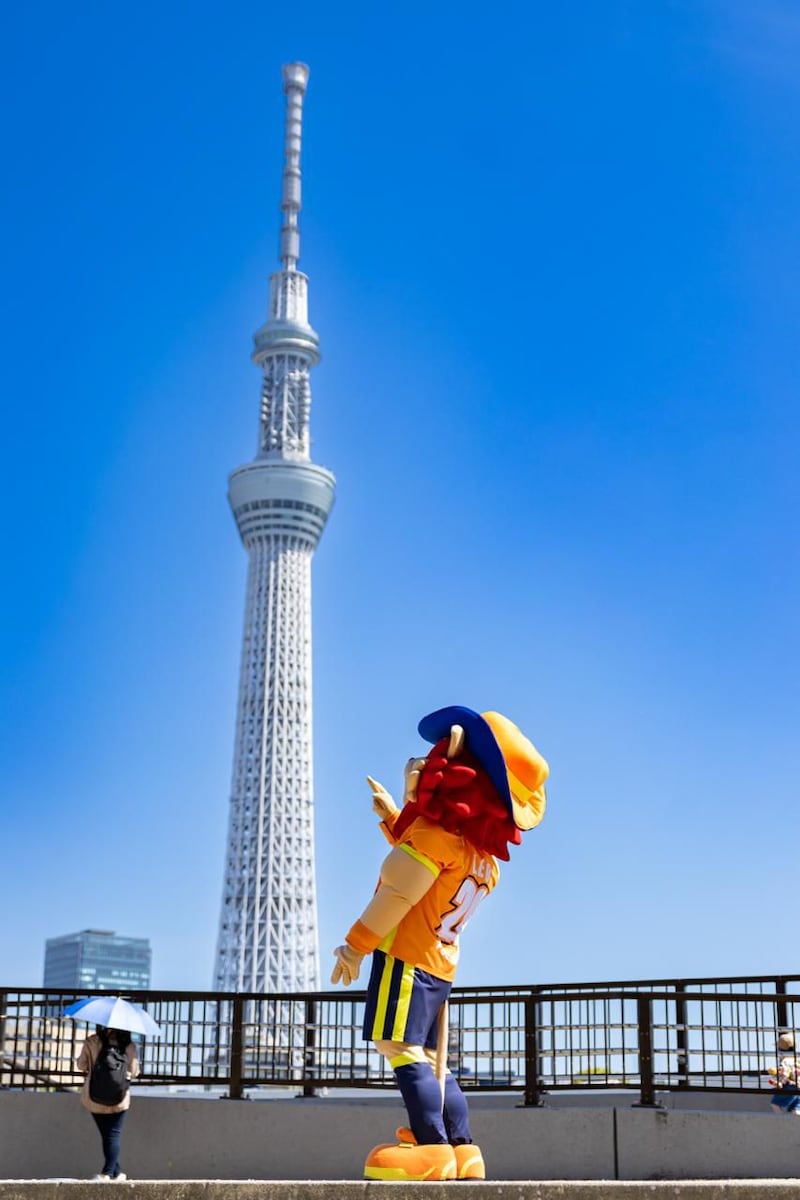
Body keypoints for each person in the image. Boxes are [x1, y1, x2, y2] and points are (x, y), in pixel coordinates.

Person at [331, 705, 549, 1182]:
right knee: (430, 1058)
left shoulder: (436, 838)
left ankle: (431, 1147)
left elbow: (400, 891)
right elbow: (426, 861)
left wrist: (355, 945)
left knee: (398, 1046)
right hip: (440, 964)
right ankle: (462, 1147)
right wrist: (396, 814)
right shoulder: (481, 860)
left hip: (405, 958)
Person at [76, 1025, 140, 1181]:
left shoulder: (92, 1041)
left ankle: (108, 1173)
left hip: (95, 1097)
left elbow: (81, 1065)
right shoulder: (129, 1045)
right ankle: (116, 1172)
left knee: (108, 1135)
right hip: (120, 1097)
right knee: (112, 1135)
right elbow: (135, 1071)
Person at [768, 1032, 800, 1115]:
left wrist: (780, 1083)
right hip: (798, 1086)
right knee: (795, 1110)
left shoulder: (785, 1061)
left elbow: (785, 1073)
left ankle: (781, 1123)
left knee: (775, 1105)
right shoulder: (797, 1059)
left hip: (789, 1086)